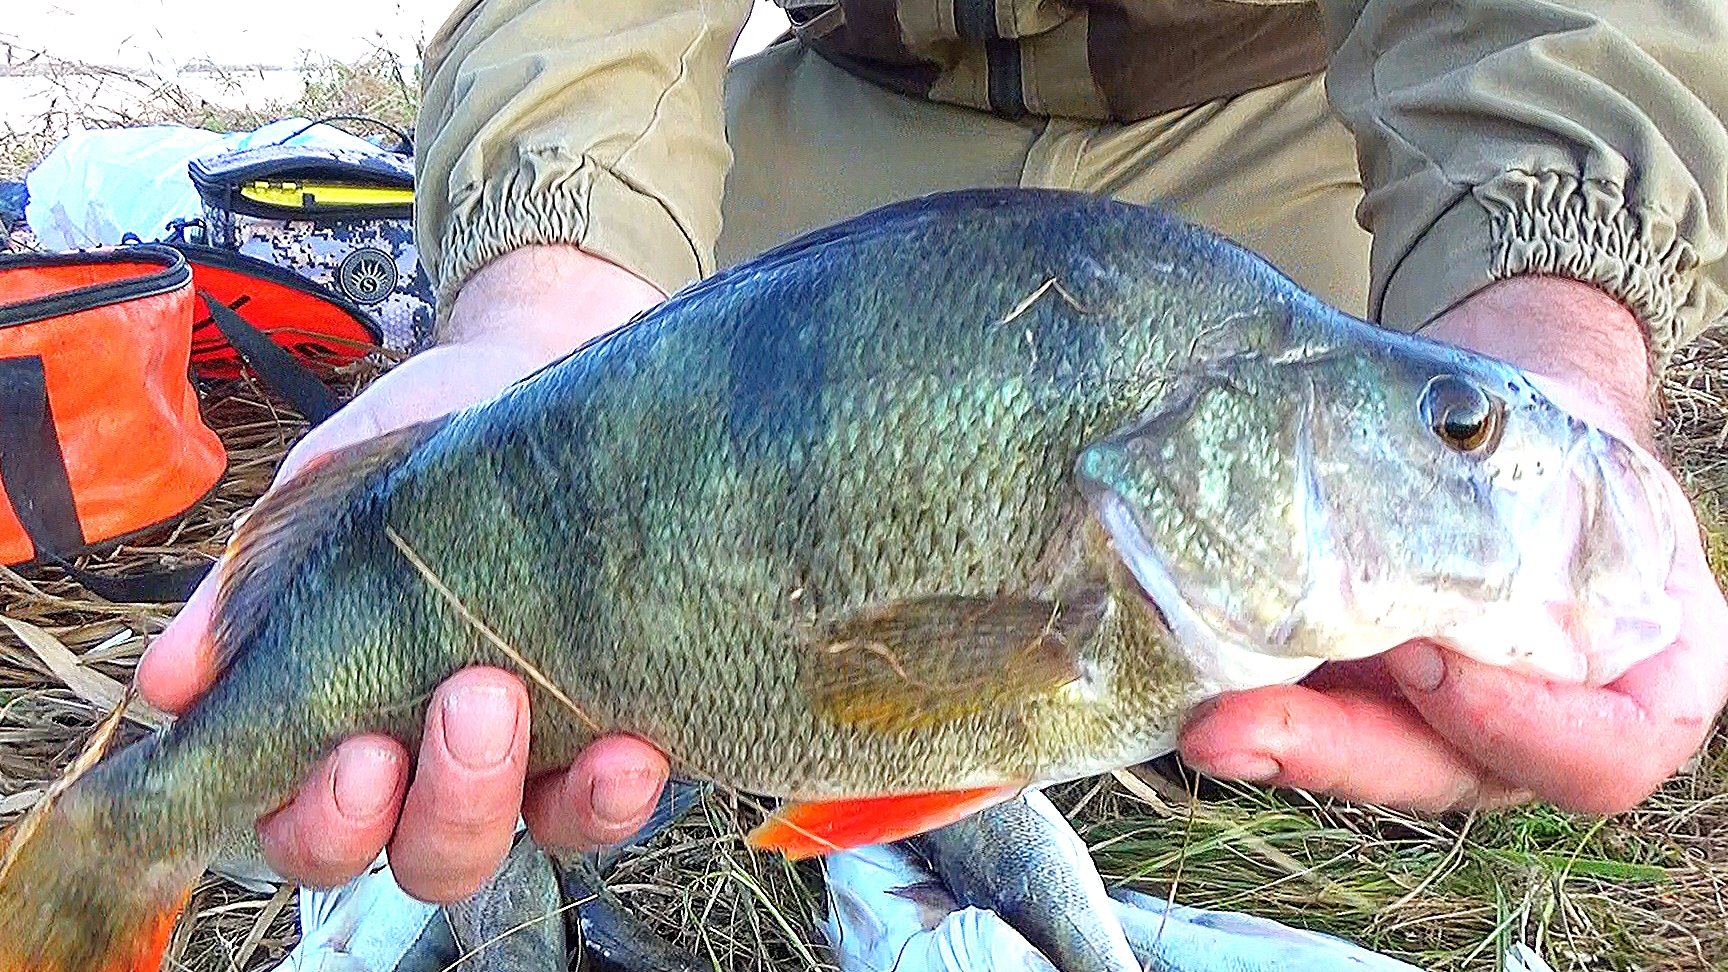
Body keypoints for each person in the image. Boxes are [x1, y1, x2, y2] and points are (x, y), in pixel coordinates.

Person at [142, 0, 1728, 905]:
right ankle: (135, 840)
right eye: (1464, 429)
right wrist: (541, 300)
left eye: (1462, 431)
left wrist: (1550, 310)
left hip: (1298, 133)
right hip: (847, 139)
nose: (1483, 441)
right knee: (626, 412)